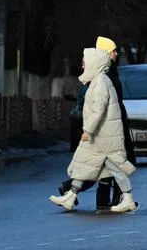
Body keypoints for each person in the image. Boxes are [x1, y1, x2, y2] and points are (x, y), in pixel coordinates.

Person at [49, 47, 138, 213]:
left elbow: (99, 110)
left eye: (84, 63)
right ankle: (71, 196)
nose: (83, 67)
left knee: (107, 167)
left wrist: (88, 131)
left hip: (102, 135)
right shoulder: (100, 80)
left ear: (94, 64)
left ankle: (127, 198)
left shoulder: (100, 83)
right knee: (87, 164)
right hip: (103, 134)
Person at [96, 36, 136, 210]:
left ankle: (110, 199)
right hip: (113, 124)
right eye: (113, 51)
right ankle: (118, 199)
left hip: (115, 122)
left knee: (111, 162)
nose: (116, 53)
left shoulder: (109, 71)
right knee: (116, 161)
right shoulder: (105, 73)